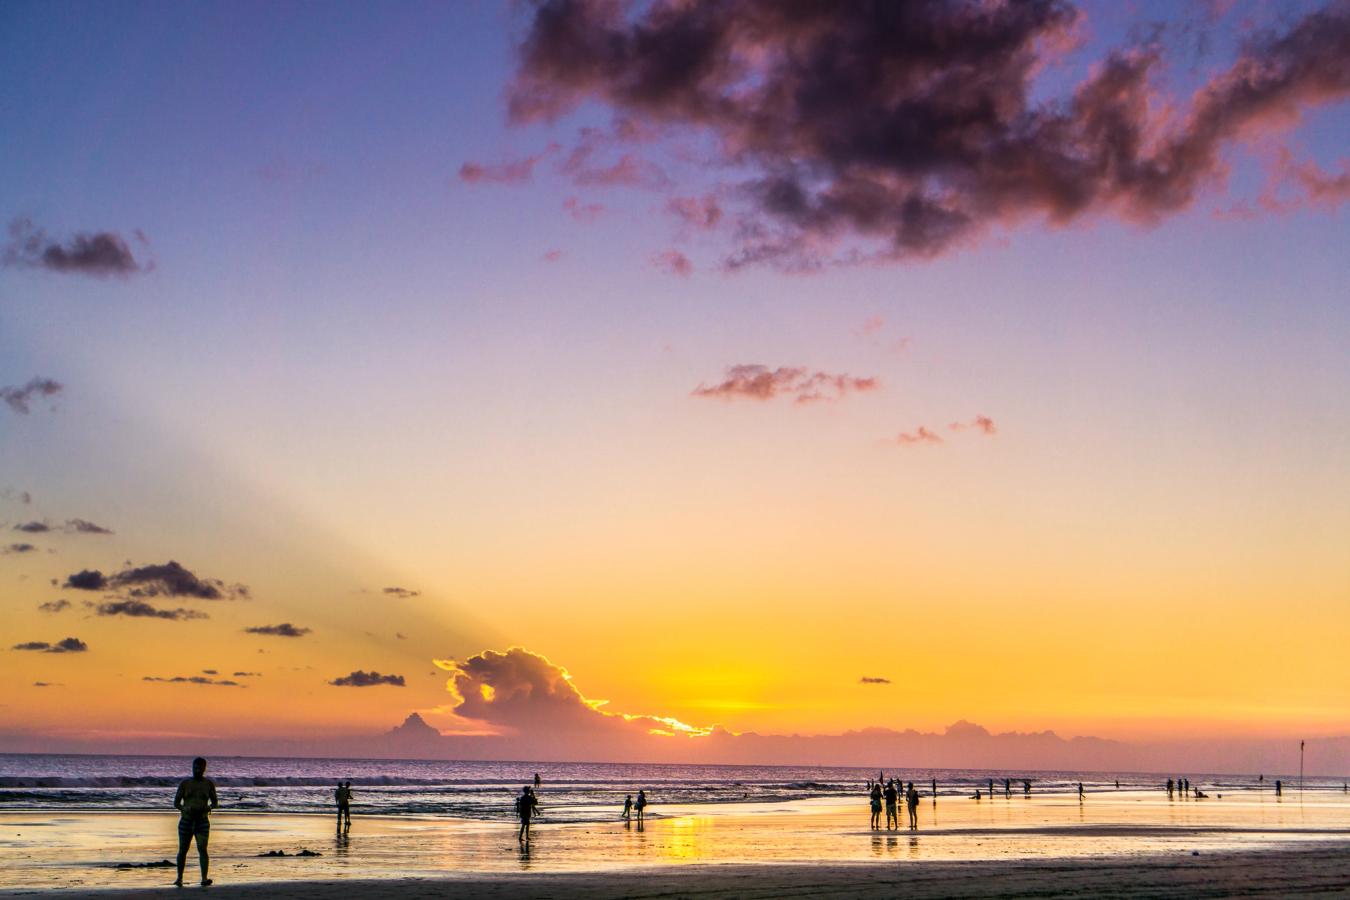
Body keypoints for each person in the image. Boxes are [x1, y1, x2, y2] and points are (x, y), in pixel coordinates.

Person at [173, 757, 218, 888]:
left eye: (200, 768)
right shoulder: (185, 783)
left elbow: (215, 802)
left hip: (202, 820)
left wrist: (209, 807)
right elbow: (176, 803)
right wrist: (184, 808)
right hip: (186, 820)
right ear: (192, 767)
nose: (197, 770)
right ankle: (179, 878)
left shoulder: (208, 784)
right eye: (195, 768)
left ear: (204, 769)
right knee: (183, 850)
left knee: (202, 849)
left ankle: (204, 878)